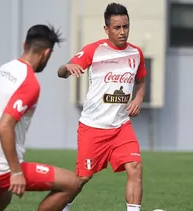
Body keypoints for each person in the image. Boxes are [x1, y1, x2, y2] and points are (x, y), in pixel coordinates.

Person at [0, 24, 80, 211]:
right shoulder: (29, 83)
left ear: (24, 44)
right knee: (72, 183)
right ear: (46, 54)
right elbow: (4, 126)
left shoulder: (2, 70)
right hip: (1, 168)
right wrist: (15, 172)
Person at [57, 3, 146, 211]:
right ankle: (62, 207)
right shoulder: (93, 50)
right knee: (82, 178)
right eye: (117, 28)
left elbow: (141, 82)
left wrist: (138, 98)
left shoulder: (136, 53)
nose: (122, 32)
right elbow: (61, 72)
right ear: (106, 29)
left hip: (121, 126)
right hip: (93, 127)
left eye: (126, 26)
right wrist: (66, 67)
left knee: (135, 167)